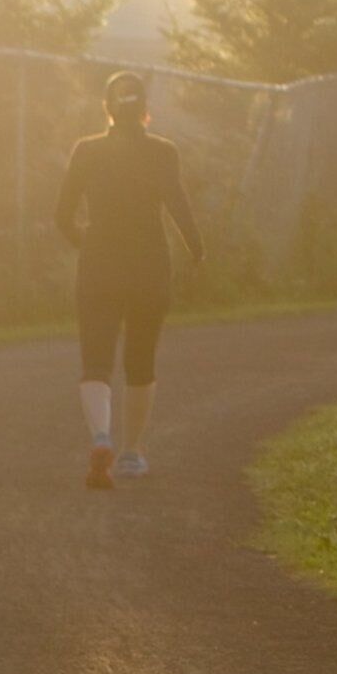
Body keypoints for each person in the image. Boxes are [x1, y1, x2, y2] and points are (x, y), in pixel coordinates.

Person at [55, 70, 204, 490]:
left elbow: (62, 215)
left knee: (96, 362)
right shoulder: (163, 153)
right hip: (149, 267)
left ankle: (101, 436)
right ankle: (133, 453)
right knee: (141, 362)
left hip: (99, 265)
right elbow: (178, 204)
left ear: (107, 109)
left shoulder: (86, 151)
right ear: (145, 111)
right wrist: (197, 250)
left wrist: (84, 241)